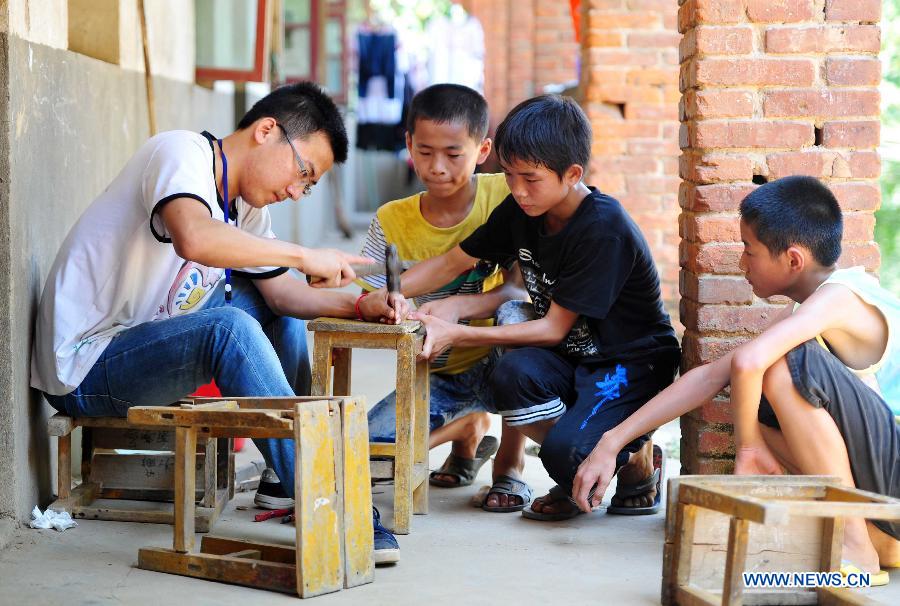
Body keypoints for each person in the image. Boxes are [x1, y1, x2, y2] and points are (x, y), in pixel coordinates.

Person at [31, 82, 403, 564]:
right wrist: (303, 253)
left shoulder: (247, 206)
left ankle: (281, 476)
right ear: (267, 131)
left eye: (308, 187)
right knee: (229, 327)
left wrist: (358, 303)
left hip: (147, 342)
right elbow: (195, 237)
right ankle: (326, 502)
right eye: (302, 172)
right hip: (86, 363)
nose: (295, 191)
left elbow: (284, 292)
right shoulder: (179, 152)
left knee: (276, 312)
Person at [572, 176, 900, 584]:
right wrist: (612, 441)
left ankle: (857, 548)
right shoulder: (807, 310)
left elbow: (748, 362)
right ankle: (869, 535)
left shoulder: (842, 297)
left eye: (749, 250)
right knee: (768, 406)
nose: (742, 263)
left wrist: (748, 449)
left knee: (781, 367)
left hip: (893, 474)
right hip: (883, 487)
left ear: (793, 260)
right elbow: (710, 376)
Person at [366, 94, 680, 517]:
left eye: (530, 179)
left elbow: (552, 329)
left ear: (572, 174)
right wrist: (385, 292)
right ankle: (584, 458)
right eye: (510, 175)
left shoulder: (603, 229)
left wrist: (460, 330)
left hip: (629, 365)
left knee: (563, 454)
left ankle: (637, 456)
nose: (517, 190)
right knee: (507, 376)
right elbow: (451, 263)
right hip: (575, 360)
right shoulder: (520, 210)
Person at [356, 83, 530, 510]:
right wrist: (378, 304)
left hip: (497, 358)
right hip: (430, 373)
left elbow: (520, 290)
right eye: (425, 151)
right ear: (408, 144)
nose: (437, 167)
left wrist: (458, 308)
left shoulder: (504, 198)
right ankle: (467, 428)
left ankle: (510, 464)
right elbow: (364, 294)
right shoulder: (391, 219)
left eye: (453, 155)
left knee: (517, 317)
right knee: (367, 451)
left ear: (483, 149)